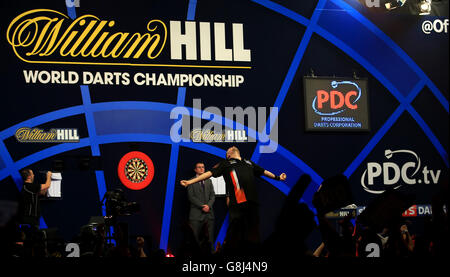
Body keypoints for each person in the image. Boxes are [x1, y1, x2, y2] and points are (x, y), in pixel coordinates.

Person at [181, 146, 287, 254]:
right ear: (228, 155)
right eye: (228, 149)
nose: (231, 147)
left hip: (252, 204)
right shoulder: (225, 163)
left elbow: (263, 171)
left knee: (253, 233)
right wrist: (190, 182)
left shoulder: (248, 162)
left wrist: (278, 178)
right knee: (237, 233)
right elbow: (209, 173)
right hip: (237, 205)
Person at [186, 162, 215, 253]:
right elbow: (191, 197)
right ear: (195, 169)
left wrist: (208, 206)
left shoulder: (209, 181)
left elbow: (212, 196)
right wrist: (202, 206)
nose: (202, 169)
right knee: (195, 240)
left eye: (203, 167)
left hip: (208, 214)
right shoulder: (191, 181)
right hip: (196, 215)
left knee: (210, 240)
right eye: (199, 167)